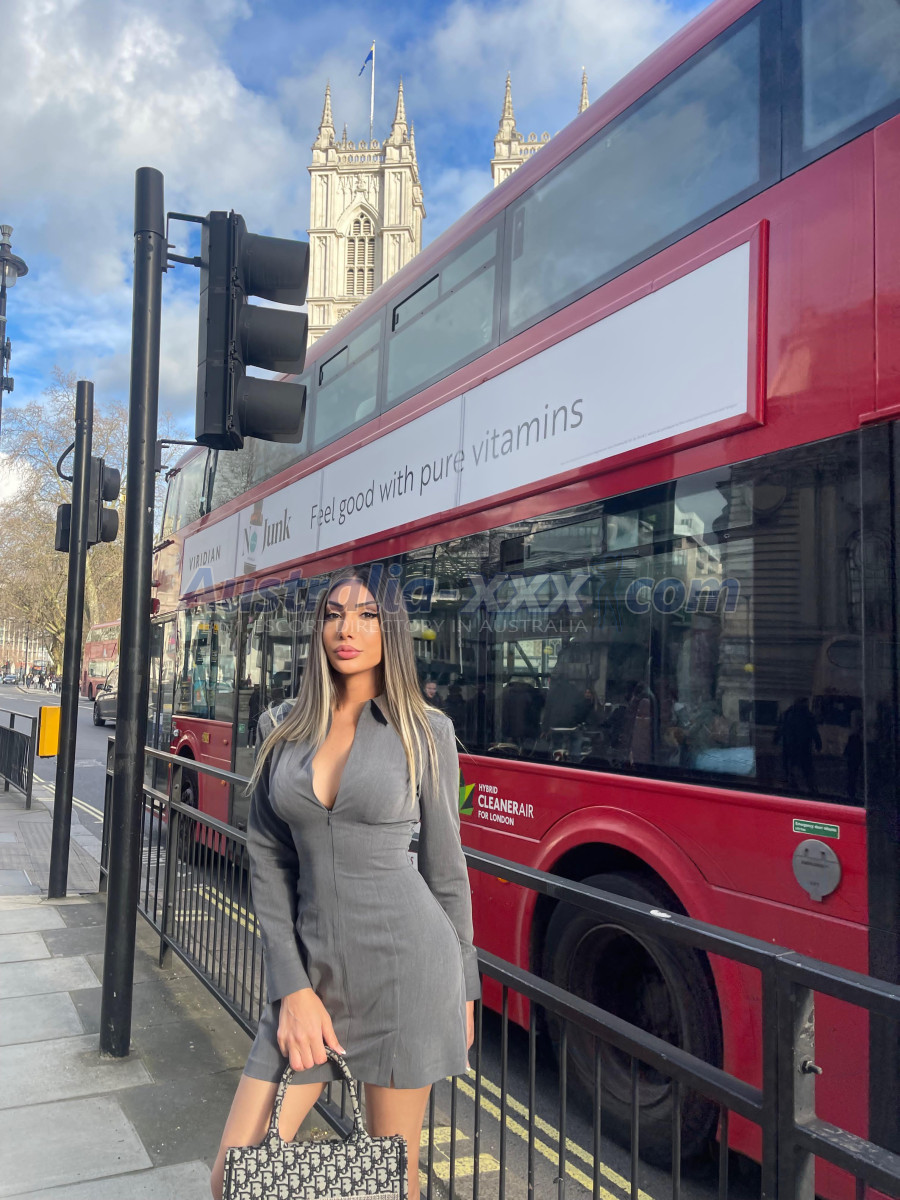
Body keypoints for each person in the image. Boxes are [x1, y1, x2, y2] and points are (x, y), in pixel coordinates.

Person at [211, 565, 479, 1200]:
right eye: (333, 614)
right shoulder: (282, 725)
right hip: (313, 976)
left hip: (407, 975)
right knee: (233, 1179)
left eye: (366, 615)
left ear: (392, 629)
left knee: (391, 1182)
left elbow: (446, 870)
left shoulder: (427, 731)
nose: (346, 629)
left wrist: (466, 988)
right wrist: (292, 988)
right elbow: (268, 858)